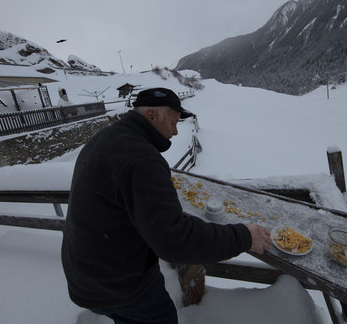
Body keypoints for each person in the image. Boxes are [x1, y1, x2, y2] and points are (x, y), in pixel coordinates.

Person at [61, 87, 272, 324]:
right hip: (118, 285)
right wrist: (244, 236)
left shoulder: (109, 137)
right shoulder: (140, 159)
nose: (174, 131)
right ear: (150, 115)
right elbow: (176, 240)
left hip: (88, 275)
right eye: (172, 122)